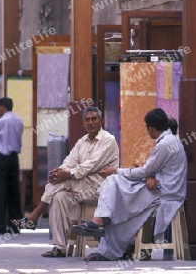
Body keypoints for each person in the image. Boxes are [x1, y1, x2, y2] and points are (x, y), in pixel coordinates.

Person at [72, 108, 187, 261]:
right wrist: (149, 176)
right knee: (116, 192)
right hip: (162, 187)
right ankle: (103, 227)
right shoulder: (170, 141)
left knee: (115, 188)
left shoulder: (165, 144)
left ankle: (102, 229)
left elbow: (144, 171)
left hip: (165, 192)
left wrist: (116, 170)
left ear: (151, 128)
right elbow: (152, 170)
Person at [12, 106, 119, 257]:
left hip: (98, 189)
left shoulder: (108, 140)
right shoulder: (82, 141)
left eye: (94, 119)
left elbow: (91, 165)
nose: (90, 122)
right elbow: (70, 161)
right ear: (84, 123)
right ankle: (59, 247)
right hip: (80, 188)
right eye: (87, 120)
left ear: (101, 121)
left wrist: (67, 174)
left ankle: (35, 215)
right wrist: (60, 172)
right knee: (58, 196)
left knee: (59, 183)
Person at [0, 97, 24, 235]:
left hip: (1, 157)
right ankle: (15, 225)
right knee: (14, 192)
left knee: (0, 192)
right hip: (13, 158)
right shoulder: (18, 120)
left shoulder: (1, 121)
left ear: (2, 107)